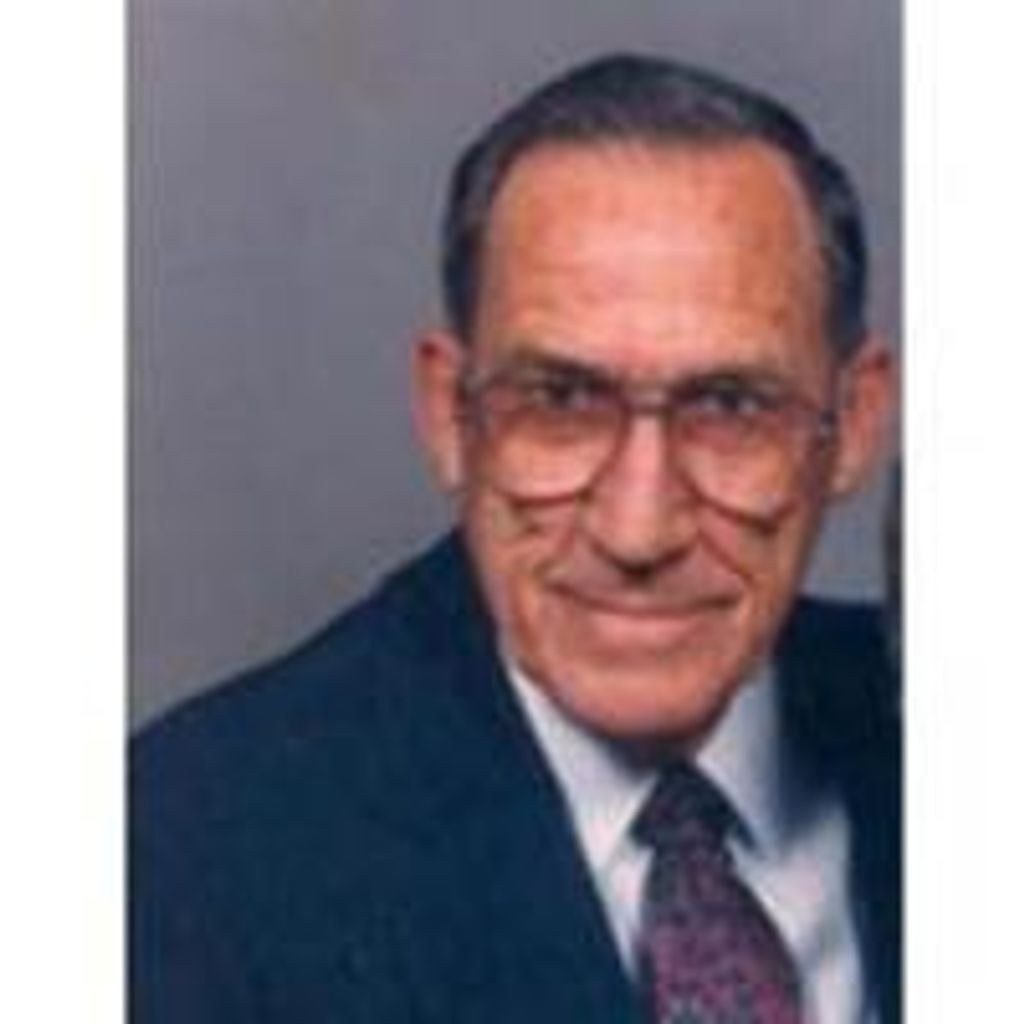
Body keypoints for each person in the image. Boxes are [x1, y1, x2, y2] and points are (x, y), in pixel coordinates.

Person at [131, 54, 900, 1023]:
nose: (638, 529)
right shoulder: (178, 853)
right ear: (449, 415)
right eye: (562, 401)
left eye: (731, 406)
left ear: (854, 424)